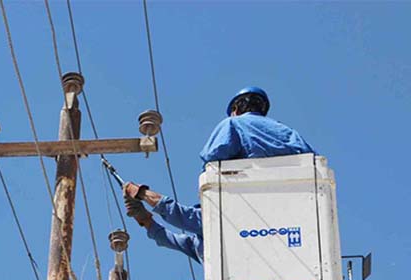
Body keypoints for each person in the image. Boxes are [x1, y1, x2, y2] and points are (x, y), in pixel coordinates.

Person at [124, 86, 314, 263]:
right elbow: (312, 165)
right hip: (293, 216)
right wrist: (145, 219)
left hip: (248, 205)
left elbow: (212, 162)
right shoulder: (288, 132)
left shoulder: (233, 123)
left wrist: (142, 193)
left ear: (236, 109)